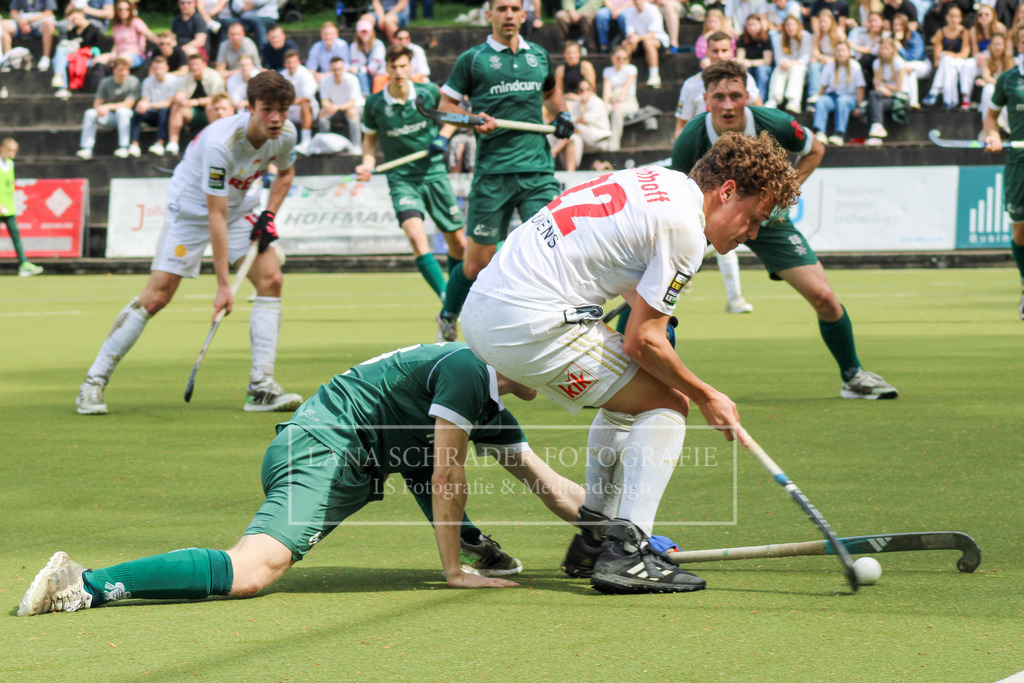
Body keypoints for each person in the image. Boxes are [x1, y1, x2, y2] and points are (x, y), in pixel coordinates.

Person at [461, 132, 801, 594]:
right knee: (668, 405)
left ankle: (595, 539)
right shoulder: (684, 229)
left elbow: (635, 304)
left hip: (486, 304)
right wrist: (706, 396)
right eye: (754, 218)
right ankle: (629, 553)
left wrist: (655, 348)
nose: (753, 234)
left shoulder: (654, 180)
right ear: (726, 192)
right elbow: (643, 340)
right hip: (527, 322)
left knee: (631, 395)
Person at [25, 342, 592, 615]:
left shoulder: (483, 399)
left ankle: (472, 540)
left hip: (338, 450)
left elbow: (553, 488)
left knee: (422, 453)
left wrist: (624, 533)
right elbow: (445, 474)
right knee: (252, 570)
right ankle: (84, 583)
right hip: (324, 449)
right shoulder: (468, 372)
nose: (562, 371)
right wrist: (452, 573)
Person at [76, 71, 303, 416]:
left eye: (282, 109)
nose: (275, 117)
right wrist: (224, 286)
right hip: (192, 211)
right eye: (267, 109)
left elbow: (285, 174)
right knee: (158, 295)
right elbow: (215, 215)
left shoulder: (285, 134)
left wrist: (268, 214)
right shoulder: (220, 143)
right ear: (250, 107)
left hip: (240, 207)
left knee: (272, 279)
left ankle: (261, 387)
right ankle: (92, 383)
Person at [673, 60, 899, 399]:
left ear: (748, 95)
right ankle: (622, 374)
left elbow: (815, 150)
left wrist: (779, 193)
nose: (728, 104)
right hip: (708, 222)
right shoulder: (692, 135)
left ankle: (853, 377)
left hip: (768, 220)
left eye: (735, 95)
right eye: (719, 97)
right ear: (706, 100)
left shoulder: (772, 122)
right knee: (652, 286)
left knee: (823, 296)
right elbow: (678, 191)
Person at [435, 0, 574, 342]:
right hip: (492, 173)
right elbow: (444, 108)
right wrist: (472, 121)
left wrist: (562, 116)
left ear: (524, 16)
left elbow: (552, 94)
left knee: (553, 249)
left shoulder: (538, 56)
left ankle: (551, 326)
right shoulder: (473, 60)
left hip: (537, 172)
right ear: (490, 15)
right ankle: (448, 315)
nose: (508, 14)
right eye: (502, 8)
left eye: (515, 8)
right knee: (475, 265)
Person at [358, 45, 468, 337]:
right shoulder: (374, 104)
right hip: (401, 179)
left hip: (433, 174)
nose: (398, 73)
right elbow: (369, 142)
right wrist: (367, 164)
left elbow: (452, 119)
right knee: (417, 239)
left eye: (403, 66)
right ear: (386, 68)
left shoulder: (428, 93)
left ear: (410, 67)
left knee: (458, 243)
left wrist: (443, 138)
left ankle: (452, 305)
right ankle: (449, 303)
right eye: (393, 67)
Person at [982, 23, 1024, 320]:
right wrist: (993, 135)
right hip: (1019, 161)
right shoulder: (1009, 79)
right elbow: (991, 117)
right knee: (1021, 230)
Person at [675, 30, 763, 137]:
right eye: (715, 51)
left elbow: (761, 112)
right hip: (706, 147)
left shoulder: (746, 79)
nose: (720, 56)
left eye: (724, 50)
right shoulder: (691, 84)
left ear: (732, 52)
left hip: (742, 144)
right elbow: (681, 126)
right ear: (707, 52)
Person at [76, 57, 141, 160]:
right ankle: (86, 148)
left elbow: (128, 105)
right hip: (110, 117)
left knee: (122, 112)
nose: (123, 73)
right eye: (120, 70)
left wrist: (107, 106)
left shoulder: (134, 82)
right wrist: (100, 110)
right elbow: (97, 104)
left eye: (126, 70)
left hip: (127, 117)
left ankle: (123, 147)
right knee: (90, 113)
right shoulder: (105, 82)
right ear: (114, 70)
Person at [166, 52, 226, 156]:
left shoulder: (214, 76)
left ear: (204, 64)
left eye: (197, 64)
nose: (194, 67)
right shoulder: (187, 78)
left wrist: (198, 102)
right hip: (193, 113)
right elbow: (179, 96)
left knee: (211, 106)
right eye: (192, 65)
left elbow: (218, 98)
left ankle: (216, 139)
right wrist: (182, 101)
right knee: (176, 107)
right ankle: (173, 143)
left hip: (212, 111)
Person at [0, 138, 43, 277]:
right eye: (9, 150)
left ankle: (24, 263)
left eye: (14, 151)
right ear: (2, 149)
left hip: (9, 208)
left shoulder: (10, 164)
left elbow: (9, 186)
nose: (12, 154)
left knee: (15, 236)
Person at [812, 40, 864, 145]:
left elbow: (860, 88)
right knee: (822, 101)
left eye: (843, 50)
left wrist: (859, 106)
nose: (841, 53)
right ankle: (820, 132)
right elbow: (823, 87)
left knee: (842, 101)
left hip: (849, 98)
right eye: (838, 51)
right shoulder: (829, 66)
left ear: (849, 52)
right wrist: (816, 102)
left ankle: (839, 134)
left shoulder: (855, 66)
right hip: (832, 97)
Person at [130, 55, 179, 157]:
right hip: (152, 113)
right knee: (138, 110)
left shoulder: (174, 81)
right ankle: (134, 144)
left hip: (167, 115)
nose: (158, 71)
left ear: (167, 68)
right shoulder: (147, 81)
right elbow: (145, 100)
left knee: (163, 110)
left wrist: (149, 105)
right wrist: (142, 106)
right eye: (155, 68)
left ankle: (160, 142)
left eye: (160, 68)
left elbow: (169, 103)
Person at [922, 4, 970, 108]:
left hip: (959, 61)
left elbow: (964, 53)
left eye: (956, 16)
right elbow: (937, 50)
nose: (954, 19)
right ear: (947, 17)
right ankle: (950, 100)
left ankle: (934, 91)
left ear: (960, 18)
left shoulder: (964, 32)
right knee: (948, 67)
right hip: (947, 64)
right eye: (951, 16)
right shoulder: (942, 31)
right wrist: (940, 57)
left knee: (946, 60)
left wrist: (950, 55)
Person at [51, 6, 104, 97]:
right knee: (57, 59)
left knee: (60, 53)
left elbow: (84, 43)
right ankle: (61, 84)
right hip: (75, 54)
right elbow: (71, 39)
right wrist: (70, 28)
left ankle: (61, 84)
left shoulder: (92, 28)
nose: (75, 21)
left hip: (87, 55)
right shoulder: (75, 29)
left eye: (75, 18)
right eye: (72, 20)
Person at [93, 0, 158, 70]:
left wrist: (160, 42)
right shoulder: (117, 26)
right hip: (119, 54)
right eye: (120, 9)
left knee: (121, 60)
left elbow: (147, 33)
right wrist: (113, 54)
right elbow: (116, 44)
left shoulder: (136, 22)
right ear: (116, 11)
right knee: (97, 60)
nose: (123, 11)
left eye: (127, 9)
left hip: (135, 55)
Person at [767, 14, 811, 113]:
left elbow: (805, 58)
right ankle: (774, 99)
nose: (790, 27)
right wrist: (783, 63)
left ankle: (794, 101)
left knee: (796, 69)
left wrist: (791, 63)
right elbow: (778, 57)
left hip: (800, 68)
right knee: (779, 68)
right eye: (788, 25)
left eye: (793, 24)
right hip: (785, 66)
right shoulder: (779, 38)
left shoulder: (806, 37)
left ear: (798, 25)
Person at [865, 36, 906, 143]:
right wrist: (881, 87)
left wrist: (883, 86)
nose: (883, 51)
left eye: (886, 48)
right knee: (874, 100)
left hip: (900, 97)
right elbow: (876, 84)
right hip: (883, 95)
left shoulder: (899, 63)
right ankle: (877, 130)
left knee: (873, 101)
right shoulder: (877, 63)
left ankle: (875, 135)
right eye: (882, 48)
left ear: (892, 49)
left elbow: (898, 88)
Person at [622, 0, 671, 87]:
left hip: (658, 41)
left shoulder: (653, 10)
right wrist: (632, 39)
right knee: (626, 44)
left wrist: (637, 38)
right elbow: (630, 33)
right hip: (639, 42)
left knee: (648, 43)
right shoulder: (630, 12)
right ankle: (624, 74)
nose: (637, 2)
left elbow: (652, 33)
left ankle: (654, 75)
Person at [318, 56, 363, 145]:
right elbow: (324, 101)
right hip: (336, 109)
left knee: (351, 111)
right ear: (330, 69)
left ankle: (357, 145)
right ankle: (324, 144)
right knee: (323, 112)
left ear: (344, 69)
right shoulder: (325, 81)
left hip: (355, 108)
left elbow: (352, 102)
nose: (337, 72)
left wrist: (337, 107)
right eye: (335, 70)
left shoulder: (352, 79)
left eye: (340, 69)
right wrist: (330, 107)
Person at [280, 48, 318, 154]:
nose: (291, 65)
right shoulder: (282, 75)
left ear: (299, 62)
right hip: (288, 110)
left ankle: (306, 141)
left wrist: (288, 103)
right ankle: (282, 142)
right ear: (285, 64)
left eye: (293, 62)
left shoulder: (306, 74)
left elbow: (307, 98)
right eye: (288, 62)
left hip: (307, 111)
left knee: (305, 105)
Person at [603, 45, 640, 151]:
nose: (621, 61)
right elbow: (607, 89)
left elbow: (627, 88)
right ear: (612, 57)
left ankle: (614, 142)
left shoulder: (631, 69)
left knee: (617, 111)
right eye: (619, 58)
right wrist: (605, 103)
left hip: (628, 101)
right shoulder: (608, 71)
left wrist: (619, 101)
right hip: (613, 100)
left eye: (624, 58)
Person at [4, 0, 57, 71]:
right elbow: (13, 13)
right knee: (3, 25)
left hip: (39, 23)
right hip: (21, 23)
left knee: (49, 24)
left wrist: (29, 20)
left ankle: (45, 57)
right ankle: (8, 59)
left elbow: (49, 12)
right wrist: (21, 21)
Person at [976, 30, 1012, 134]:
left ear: (1004, 46)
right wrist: (994, 83)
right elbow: (986, 76)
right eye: (995, 44)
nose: (997, 47)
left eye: (999, 44)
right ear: (991, 46)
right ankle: (987, 128)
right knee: (988, 90)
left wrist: (992, 82)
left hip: (1006, 90)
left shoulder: (1009, 60)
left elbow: (1009, 79)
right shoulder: (987, 60)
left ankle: (1006, 126)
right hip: (993, 89)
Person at [807, 7, 845, 104]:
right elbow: (815, 52)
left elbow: (844, 51)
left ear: (831, 21)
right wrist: (824, 58)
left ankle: (822, 95)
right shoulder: (817, 34)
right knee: (814, 65)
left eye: (825, 21)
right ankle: (814, 95)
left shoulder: (838, 33)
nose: (823, 24)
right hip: (824, 60)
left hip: (837, 60)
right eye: (821, 21)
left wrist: (831, 60)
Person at [891, 11, 929, 107]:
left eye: (900, 25)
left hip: (921, 65)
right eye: (895, 25)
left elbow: (912, 58)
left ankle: (912, 101)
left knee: (909, 69)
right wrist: (895, 41)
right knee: (907, 70)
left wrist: (898, 45)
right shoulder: (891, 38)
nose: (897, 28)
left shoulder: (915, 37)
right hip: (905, 67)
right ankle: (908, 101)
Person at [736, 13, 774, 102]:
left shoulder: (766, 38)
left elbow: (767, 60)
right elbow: (740, 58)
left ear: (760, 25)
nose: (751, 27)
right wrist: (745, 63)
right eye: (749, 25)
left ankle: (761, 100)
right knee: (741, 69)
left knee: (762, 70)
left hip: (762, 67)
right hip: (748, 67)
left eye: (754, 25)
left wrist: (751, 63)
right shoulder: (743, 38)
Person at [849, 10, 887, 88]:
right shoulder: (863, 36)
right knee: (864, 71)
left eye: (875, 21)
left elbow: (876, 51)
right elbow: (858, 56)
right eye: (870, 21)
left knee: (868, 57)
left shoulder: (885, 36)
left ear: (882, 22)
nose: (872, 24)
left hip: (881, 64)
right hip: (866, 67)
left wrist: (855, 47)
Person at [348, 19, 386, 95]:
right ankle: (365, 97)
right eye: (362, 32)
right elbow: (355, 65)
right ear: (358, 33)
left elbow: (373, 67)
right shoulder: (354, 46)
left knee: (362, 74)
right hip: (362, 76)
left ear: (372, 32)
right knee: (359, 75)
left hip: (378, 74)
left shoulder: (379, 44)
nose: (364, 34)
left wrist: (360, 69)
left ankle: (366, 96)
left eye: (366, 31)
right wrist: (360, 69)